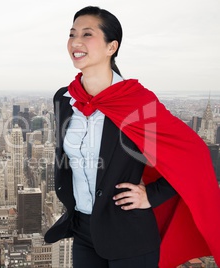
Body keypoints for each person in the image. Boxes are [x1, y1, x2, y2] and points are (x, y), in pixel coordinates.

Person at [44, 6, 220, 268]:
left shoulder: (136, 103)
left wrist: (152, 195)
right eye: (72, 34)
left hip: (129, 234)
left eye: (87, 34)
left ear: (111, 47)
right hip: (82, 230)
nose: (76, 42)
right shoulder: (65, 99)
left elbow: (193, 154)